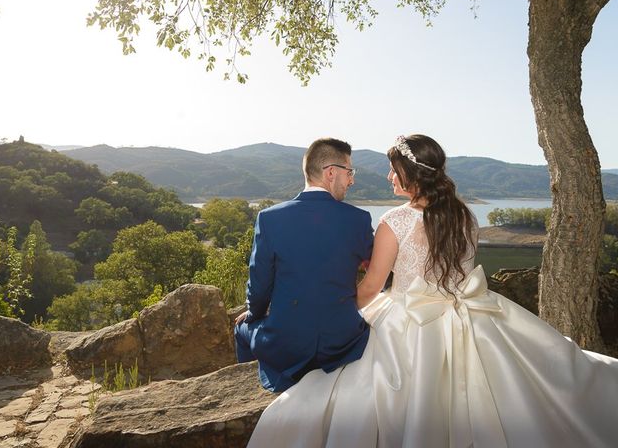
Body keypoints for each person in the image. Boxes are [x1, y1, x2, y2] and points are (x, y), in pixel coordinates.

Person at [248, 134, 618, 447]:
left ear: (410, 173)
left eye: (394, 169)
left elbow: (372, 287)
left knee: (350, 388)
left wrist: (342, 308)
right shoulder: (465, 216)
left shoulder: (395, 221)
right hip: (471, 313)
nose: (390, 176)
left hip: (408, 319)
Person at [234, 137, 374, 392]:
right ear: (331, 173)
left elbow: (259, 286)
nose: (352, 180)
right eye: (350, 172)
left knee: (241, 328)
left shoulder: (270, 219)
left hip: (289, 344)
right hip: (342, 342)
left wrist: (253, 314)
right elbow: (375, 270)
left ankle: (257, 398)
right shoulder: (359, 220)